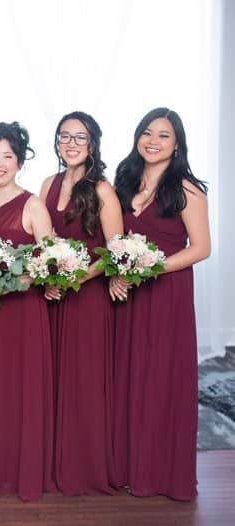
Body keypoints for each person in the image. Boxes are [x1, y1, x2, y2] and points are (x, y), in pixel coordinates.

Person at [111, 108, 210, 500]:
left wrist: (148, 271)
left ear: (177, 144)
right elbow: (112, 239)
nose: (153, 141)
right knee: (126, 376)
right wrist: (118, 271)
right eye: (147, 133)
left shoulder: (186, 189)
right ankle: (124, 467)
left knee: (160, 380)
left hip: (166, 294)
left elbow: (201, 248)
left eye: (164, 135)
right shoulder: (124, 181)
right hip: (125, 296)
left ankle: (159, 472)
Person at [0, 121, 56, 501]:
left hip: (25, 312)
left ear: (19, 162)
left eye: (8, 156)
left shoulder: (33, 205)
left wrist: (17, 282)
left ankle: (25, 469)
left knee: (23, 387)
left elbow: (50, 263)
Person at [38, 111, 122, 495]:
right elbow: (38, 243)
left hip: (87, 300)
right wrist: (46, 280)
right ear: (57, 142)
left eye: (80, 137)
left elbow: (114, 252)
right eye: (64, 136)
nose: (71, 143)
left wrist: (76, 278)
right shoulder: (47, 184)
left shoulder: (103, 189)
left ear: (93, 144)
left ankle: (84, 467)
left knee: (84, 384)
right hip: (53, 299)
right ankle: (53, 462)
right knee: (52, 382)